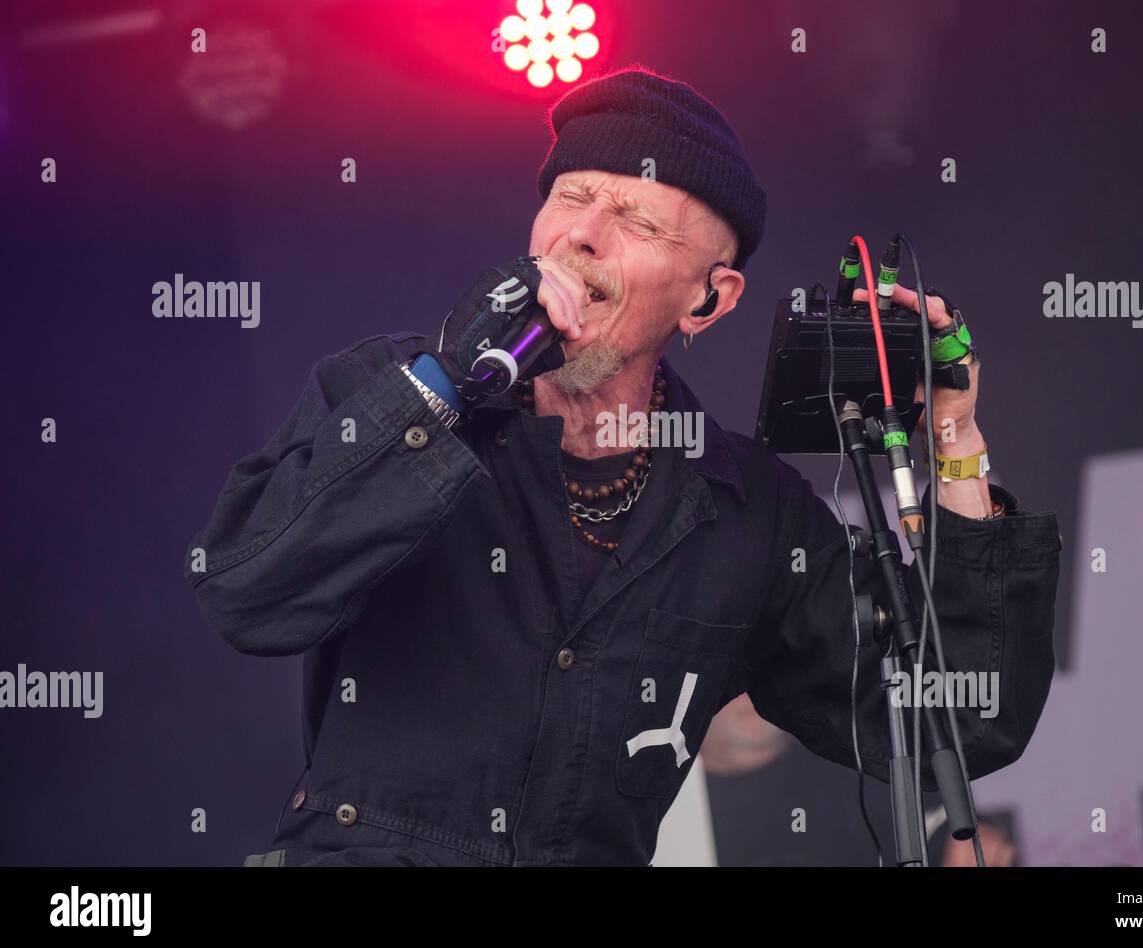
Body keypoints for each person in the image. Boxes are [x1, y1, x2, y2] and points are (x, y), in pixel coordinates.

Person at [188, 67, 1061, 867]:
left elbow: (958, 721)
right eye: (571, 197)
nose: (584, 235)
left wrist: (953, 433)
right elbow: (249, 590)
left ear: (708, 300)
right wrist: (446, 386)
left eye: (637, 219)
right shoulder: (394, 387)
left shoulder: (751, 514)